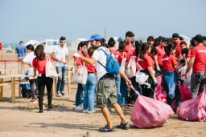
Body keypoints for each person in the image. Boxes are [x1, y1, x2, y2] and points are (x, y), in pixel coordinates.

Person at [73, 34, 131, 132]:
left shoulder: (98, 51)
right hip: (112, 80)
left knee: (102, 104)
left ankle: (109, 125)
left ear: (97, 41)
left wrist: (79, 56)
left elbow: (91, 61)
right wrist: (126, 78)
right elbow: (117, 67)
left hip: (104, 81)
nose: (91, 43)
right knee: (114, 102)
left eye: (92, 41)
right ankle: (124, 122)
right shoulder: (108, 51)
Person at [33, 44, 53, 113]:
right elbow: (51, 65)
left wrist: (35, 74)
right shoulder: (47, 57)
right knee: (49, 92)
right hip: (49, 76)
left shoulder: (35, 59)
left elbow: (35, 68)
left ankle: (41, 109)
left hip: (40, 76)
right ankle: (49, 106)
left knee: (41, 93)